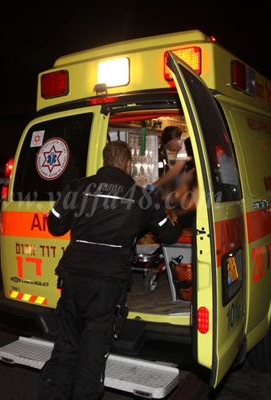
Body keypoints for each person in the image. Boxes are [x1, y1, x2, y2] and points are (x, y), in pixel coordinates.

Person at [38, 140, 182, 399]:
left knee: (66, 347)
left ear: (105, 161)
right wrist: (178, 220)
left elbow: (55, 225)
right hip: (106, 285)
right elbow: (168, 235)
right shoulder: (142, 197)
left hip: (72, 278)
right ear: (128, 164)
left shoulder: (77, 187)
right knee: (92, 354)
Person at [148, 126, 196, 228]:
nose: (170, 150)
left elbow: (175, 171)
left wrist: (153, 186)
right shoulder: (188, 143)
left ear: (173, 138)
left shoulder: (185, 145)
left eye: (169, 146)